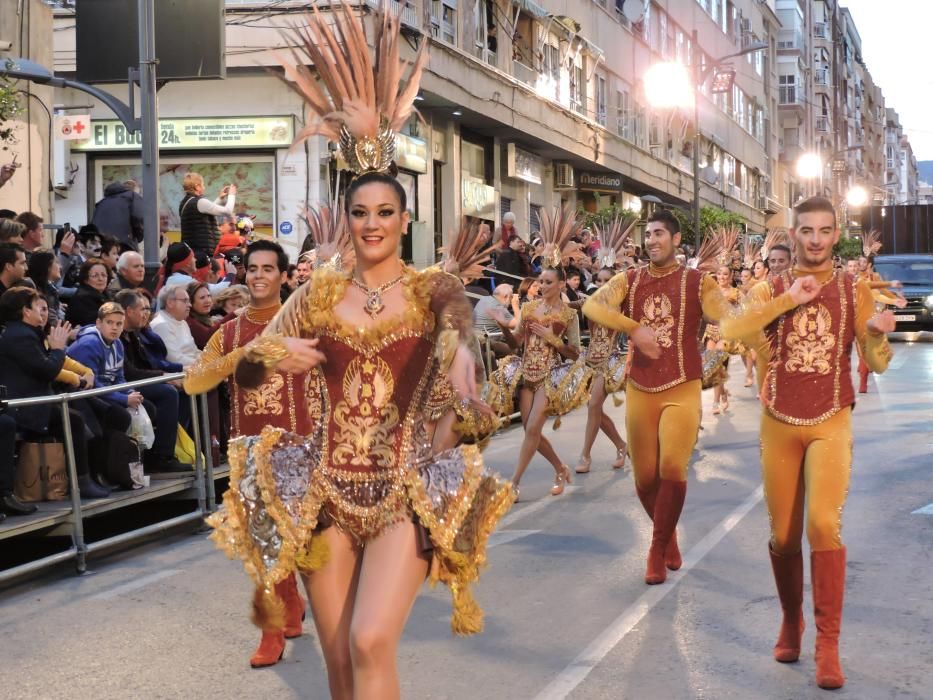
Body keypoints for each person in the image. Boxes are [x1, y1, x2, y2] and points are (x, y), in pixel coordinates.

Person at [721, 196, 894, 690]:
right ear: (792, 234)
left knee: (822, 524)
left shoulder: (854, 290)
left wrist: (879, 336)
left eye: (824, 230)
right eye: (806, 230)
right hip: (778, 419)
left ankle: (828, 644)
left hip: (831, 419)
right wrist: (787, 300)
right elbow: (731, 328)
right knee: (782, 535)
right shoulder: (769, 286)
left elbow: (877, 364)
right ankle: (791, 620)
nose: (815, 239)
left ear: (836, 234)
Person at [582, 209, 732, 586]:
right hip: (640, 387)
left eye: (659, 233)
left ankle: (656, 546)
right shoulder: (628, 280)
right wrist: (633, 329)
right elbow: (591, 306)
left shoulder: (698, 282)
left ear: (676, 240)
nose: (651, 240)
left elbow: (727, 315)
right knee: (645, 479)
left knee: (672, 468)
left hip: (682, 385)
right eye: (647, 234)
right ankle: (669, 535)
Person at [185, 239, 314, 668]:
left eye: (267, 269)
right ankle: (271, 627)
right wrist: (241, 355)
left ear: (283, 275)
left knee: (302, 541)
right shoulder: (230, 332)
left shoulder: (305, 323)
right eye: (252, 268)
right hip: (249, 451)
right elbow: (195, 381)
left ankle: (292, 600)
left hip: (298, 450)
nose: (258, 275)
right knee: (261, 542)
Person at [487, 210, 590, 499]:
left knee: (532, 426)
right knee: (529, 432)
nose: (541, 286)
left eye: (547, 282)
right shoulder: (530, 309)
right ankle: (559, 467)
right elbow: (515, 343)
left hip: (550, 374)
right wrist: (502, 326)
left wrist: (553, 340)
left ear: (560, 285)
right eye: (540, 282)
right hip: (526, 369)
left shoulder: (569, 315)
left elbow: (573, 353)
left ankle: (515, 483)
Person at [0, 287, 110, 498]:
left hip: (33, 400)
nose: (43, 314)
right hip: (23, 406)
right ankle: (82, 482)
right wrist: (59, 348)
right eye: (38, 308)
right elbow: (48, 370)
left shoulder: (23, 333)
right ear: (25, 311)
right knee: (74, 421)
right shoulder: (20, 336)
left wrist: (78, 369)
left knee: (84, 413)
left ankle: (91, 477)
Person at [67, 302, 190, 474]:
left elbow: (119, 377)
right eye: (109, 322)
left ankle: (143, 461)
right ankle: (110, 469)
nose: (115, 328)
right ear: (98, 323)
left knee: (148, 407)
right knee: (121, 416)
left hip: (106, 392)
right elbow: (92, 385)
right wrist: (124, 399)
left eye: (118, 324)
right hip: (83, 394)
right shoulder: (88, 344)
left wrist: (130, 392)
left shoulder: (117, 344)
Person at [576, 266, 628, 474]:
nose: (601, 284)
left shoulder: (618, 307)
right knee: (594, 408)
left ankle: (585, 454)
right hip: (590, 361)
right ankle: (621, 446)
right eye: (598, 281)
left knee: (593, 405)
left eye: (606, 280)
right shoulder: (593, 303)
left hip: (609, 361)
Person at [178, 173, 237, 256]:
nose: (204, 187)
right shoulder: (199, 202)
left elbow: (205, 211)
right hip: (203, 250)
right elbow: (227, 211)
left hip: (193, 249)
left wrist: (220, 198)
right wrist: (232, 195)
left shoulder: (185, 203)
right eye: (203, 185)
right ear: (197, 186)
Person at [150, 285, 201, 367]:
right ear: (170, 303)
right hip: (178, 375)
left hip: (193, 368)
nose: (190, 305)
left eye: (189, 301)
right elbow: (175, 359)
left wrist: (208, 359)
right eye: (185, 301)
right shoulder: (161, 324)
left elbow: (194, 351)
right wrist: (205, 364)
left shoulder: (183, 322)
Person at [161, 242, 235, 297]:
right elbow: (216, 291)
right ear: (187, 263)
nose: (195, 260)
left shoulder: (178, 278)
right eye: (193, 257)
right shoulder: (181, 280)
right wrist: (231, 274)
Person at [91, 181, 145, 251]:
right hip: (124, 244)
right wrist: (139, 237)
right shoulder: (133, 196)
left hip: (102, 245)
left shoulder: (102, 203)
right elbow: (138, 218)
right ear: (134, 191)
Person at [472, 283, 516, 360]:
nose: (511, 300)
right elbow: (517, 325)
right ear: (505, 296)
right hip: (486, 340)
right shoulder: (496, 306)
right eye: (511, 297)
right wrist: (515, 305)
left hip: (476, 338)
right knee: (515, 349)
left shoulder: (485, 299)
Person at [65, 258, 111, 328]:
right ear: (85, 279)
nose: (100, 279)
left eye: (103, 275)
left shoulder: (105, 295)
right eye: (95, 276)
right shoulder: (82, 299)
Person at [26, 250, 64, 323]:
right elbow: (51, 322)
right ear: (47, 266)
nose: (60, 266)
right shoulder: (32, 289)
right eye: (57, 262)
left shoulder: (50, 289)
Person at [185, 282, 217, 349]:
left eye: (208, 296)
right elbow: (209, 338)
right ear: (191, 302)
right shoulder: (190, 321)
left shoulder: (207, 318)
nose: (207, 300)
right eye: (202, 298)